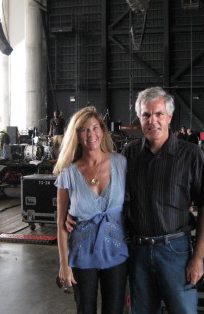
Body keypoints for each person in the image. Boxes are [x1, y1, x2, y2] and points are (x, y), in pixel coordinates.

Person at [122, 87, 204, 314]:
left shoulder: (191, 155)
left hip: (176, 252)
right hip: (139, 252)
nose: (153, 121)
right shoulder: (130, 153)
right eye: (146, 115)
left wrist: (198, 257)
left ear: (169, 117)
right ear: (140, 118)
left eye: (159, 114)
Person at [54, 106, 128, 314]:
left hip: (116, 251)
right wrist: (64, 264)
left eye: (95, 128)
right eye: (84, 130)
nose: (91, 134)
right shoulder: (68, 172)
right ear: (76, 135)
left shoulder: (121, 163)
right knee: (85, 309)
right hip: (82, 253)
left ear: (103, 131)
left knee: (114, 310)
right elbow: (61, 224)